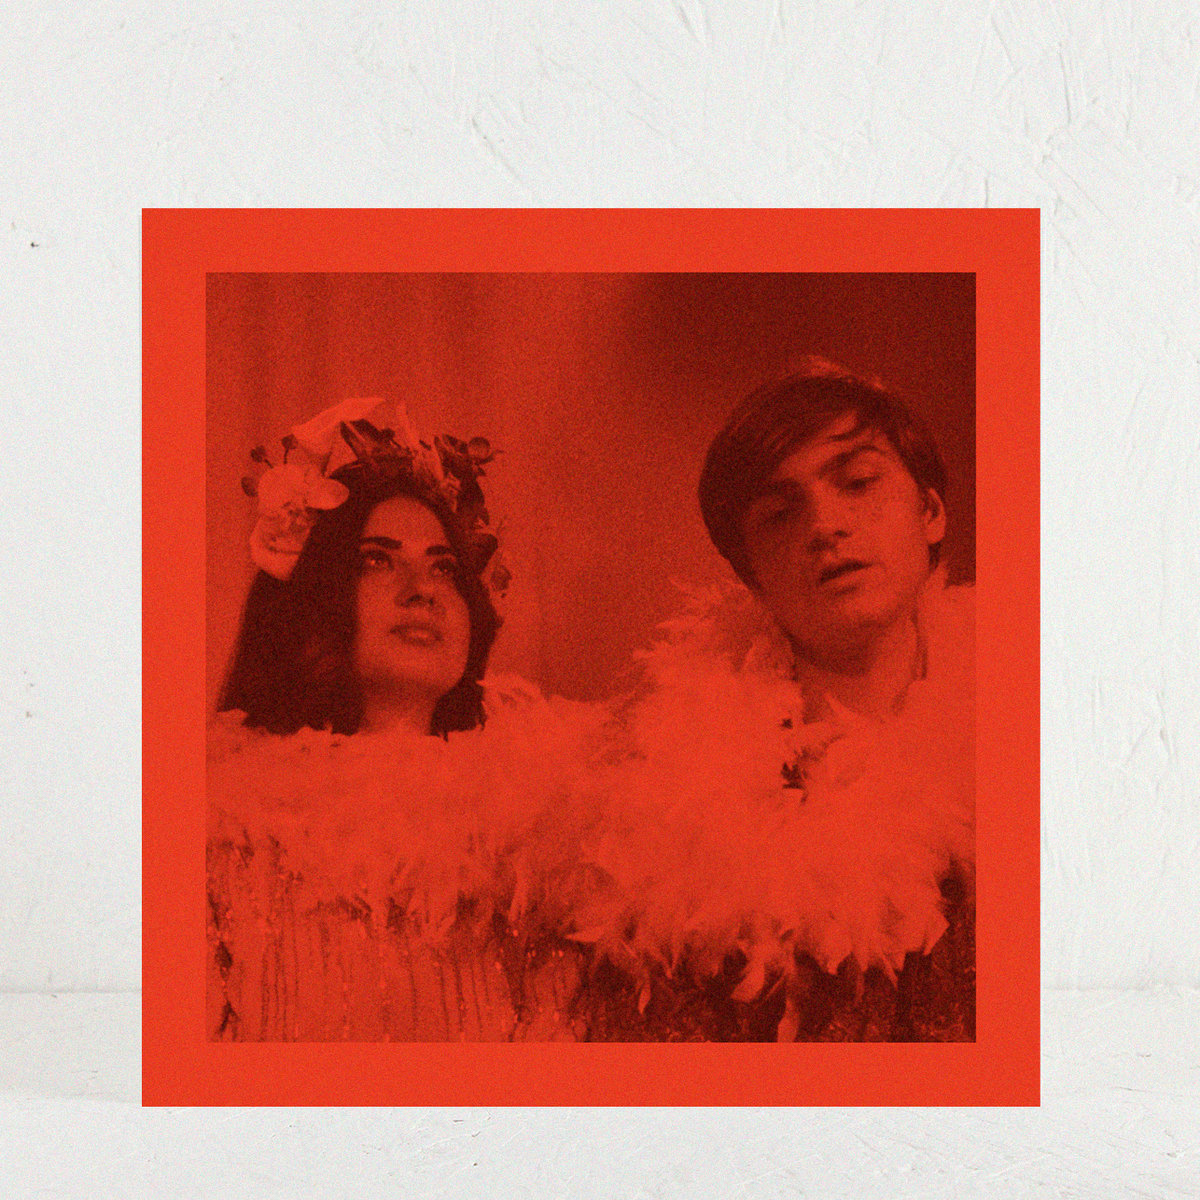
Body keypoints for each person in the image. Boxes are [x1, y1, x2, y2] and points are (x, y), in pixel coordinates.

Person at [577, 362, 974, 1041]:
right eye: (780, 514)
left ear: (930, 512)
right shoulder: (666, 795)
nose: (825, 525)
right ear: (752, 576)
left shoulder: (1044, 724)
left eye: (858, 482)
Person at [207, 399, 596, 1041]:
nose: (423, 589)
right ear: (314, 598)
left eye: (445, 566)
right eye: (377, 559)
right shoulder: (222, 826)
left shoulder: (545, 833)